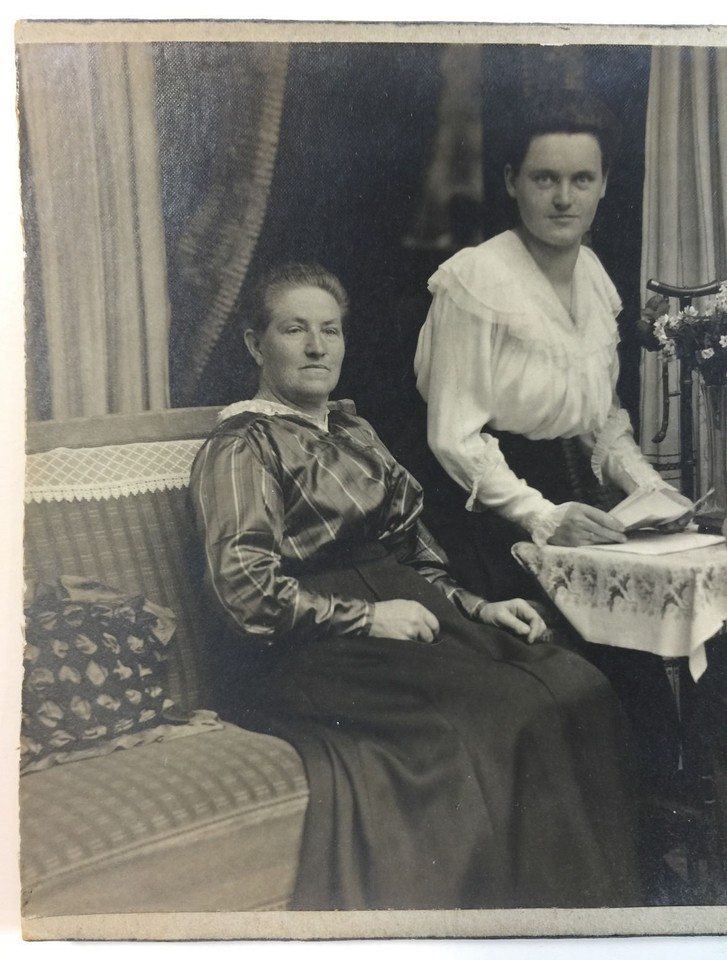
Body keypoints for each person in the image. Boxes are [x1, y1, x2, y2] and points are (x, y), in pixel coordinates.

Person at [189, 261, 642, 911]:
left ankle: (590, 916)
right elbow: (243, 590)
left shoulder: (354, 430)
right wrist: (366, 618)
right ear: (255, 344)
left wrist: (478, 607)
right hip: (314, 647)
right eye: (294, 329)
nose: (317, 347)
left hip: (410, 614)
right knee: (504, 711)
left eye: (330, 330)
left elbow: (414, 553)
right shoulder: (242, 445)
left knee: (574, 682)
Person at [414, 88, 693, 603]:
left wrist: (650, 489)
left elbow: (600, 419)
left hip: (578, 508)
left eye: (581, 179)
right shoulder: (475, 279)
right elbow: (452, 437)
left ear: (604, 183)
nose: (564, 198)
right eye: (545, 178)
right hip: (488, 521)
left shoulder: (591, 273)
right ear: (512, 181)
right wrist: (542, 516)